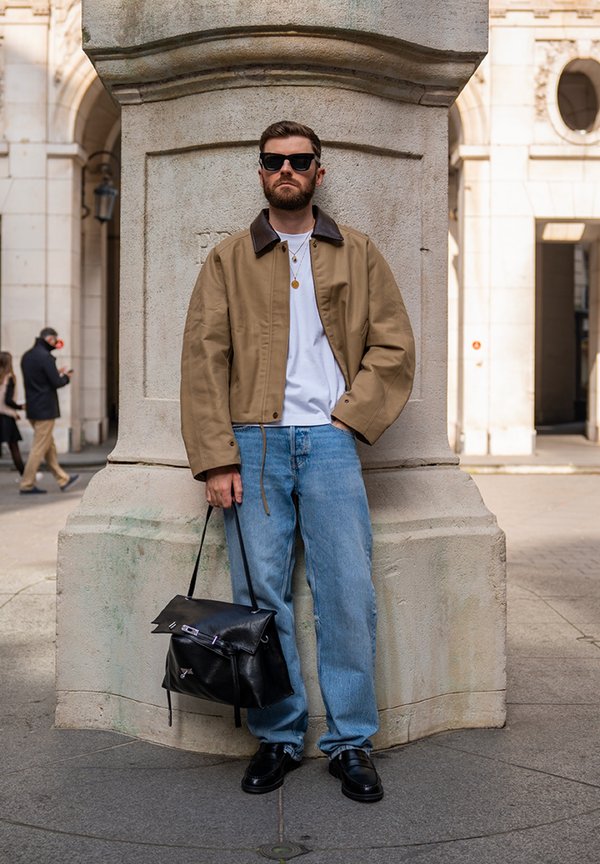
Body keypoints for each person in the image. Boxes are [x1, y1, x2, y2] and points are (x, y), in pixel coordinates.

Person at [181, 120, 415, 803]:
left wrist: (347, 419)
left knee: (349, 594)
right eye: (275, 161)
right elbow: (203, 362)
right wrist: (216, 459)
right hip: (251, 447)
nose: (287, 170)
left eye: (300, 161)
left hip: (332, 443)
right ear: (260, 172)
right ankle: (279, 736)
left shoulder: (360, 253)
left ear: (319, 171)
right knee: (262, 600)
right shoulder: (228, 259)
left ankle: (350, 742)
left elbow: (393, 349)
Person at [19, 327, 78, 495]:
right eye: (54, 341)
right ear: (50, 339)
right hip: (45, 409)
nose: (55, 344)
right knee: (39, 448)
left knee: (49, 446)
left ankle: (63, 479)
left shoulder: (27, 356)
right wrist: (67, 376)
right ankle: (26, 484)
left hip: (33, 407)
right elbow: (57, 383)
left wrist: (55, 372)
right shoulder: (46, 358)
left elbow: (39, 378)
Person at [0, 351, 25, 475]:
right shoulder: (9, 377)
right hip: (6, 417)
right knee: (14, 447)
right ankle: (25, 476)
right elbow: (7, 400)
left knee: (13, 446)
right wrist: (20, 407)